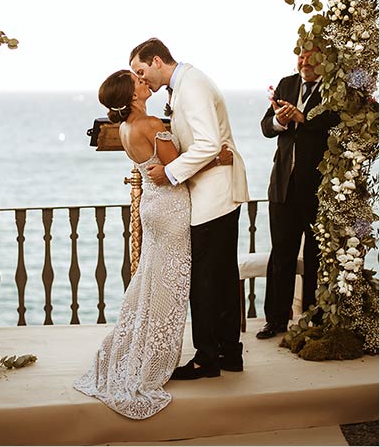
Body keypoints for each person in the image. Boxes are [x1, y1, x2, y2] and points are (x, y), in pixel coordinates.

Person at [73, 69, 192, 419]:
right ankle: (150, 363)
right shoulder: (151, 124)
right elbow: (178, 165)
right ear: (132, 95)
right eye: (138, 81)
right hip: (170, 208)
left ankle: (135, 351)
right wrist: (217, 158)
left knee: (149, 285)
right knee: (167, 290)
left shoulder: (124, 128)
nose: (144, 81)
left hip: (150, 207)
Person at [130, 38, 249, 380]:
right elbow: (204, 143)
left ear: (156, 61)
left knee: (207, 278)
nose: (143, 80)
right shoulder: (181, 87)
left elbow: (210, 143)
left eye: (141, 71)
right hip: (213, 189)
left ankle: (207, 357)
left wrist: (169, 171)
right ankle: (229, 352)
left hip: (213, 195)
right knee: (223, 275)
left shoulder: (192, 85)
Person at [256, 47, 339, 340]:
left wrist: (305, 119)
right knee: (281, 255)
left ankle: (314, 318)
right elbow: (267, 127)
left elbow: (337, 125)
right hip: (282, 186)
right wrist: (280, 119)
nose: (304, 62)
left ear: (324, 60)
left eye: (311, 57)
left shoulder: (334, 88)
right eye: (301, 56)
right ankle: (276, 320)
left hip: (317, 188)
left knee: (317, 256)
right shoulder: (286, 84)